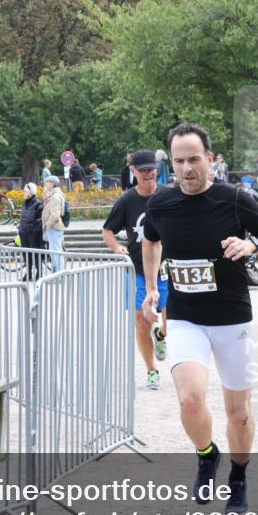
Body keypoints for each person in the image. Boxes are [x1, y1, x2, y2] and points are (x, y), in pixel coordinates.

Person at [140, 122, 258, 515]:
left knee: (238, 413)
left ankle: (238, 477)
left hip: (231, 318)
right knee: (189, 400)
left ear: (210, 159)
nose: (187, 168)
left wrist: (251, 243)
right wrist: (153, 287)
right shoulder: (160, 204)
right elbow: (150, 241)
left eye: (194, 160)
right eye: (179, 161)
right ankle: (207, 455)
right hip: (186, 317)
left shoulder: (234, 200)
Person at [102, 149, 170, 390]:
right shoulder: (127, 201)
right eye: (143, 171)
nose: (148, 174)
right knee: (141, 321)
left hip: (168, 268)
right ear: (133, 172)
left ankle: (162, 337)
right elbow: (107, 231)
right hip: (138, 270)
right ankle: (152, 370)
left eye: (152, 169)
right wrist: (116, 247)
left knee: (172, 320)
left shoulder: (169, 194)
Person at [17, 183, 45, 281]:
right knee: (26, 255)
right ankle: (28, 274)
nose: (23, 192)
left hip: (33, 234)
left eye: (25, 190)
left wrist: (33, 230)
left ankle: (39, 273)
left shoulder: (38, 203)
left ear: (31, 192)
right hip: (24, 232)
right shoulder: (25, 202)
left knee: (36, 254)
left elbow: (40, 220)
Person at [41, 176, 67, 273]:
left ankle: (59, 275)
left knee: (56, 253)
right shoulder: (53, 195)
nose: (45, 184)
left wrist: (47, 225)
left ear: (52, 183)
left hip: (54, 228)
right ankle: (57, 274)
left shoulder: (56, 196)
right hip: (53, 227)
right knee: (55, 252)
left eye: (46, 182)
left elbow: (55, 215)